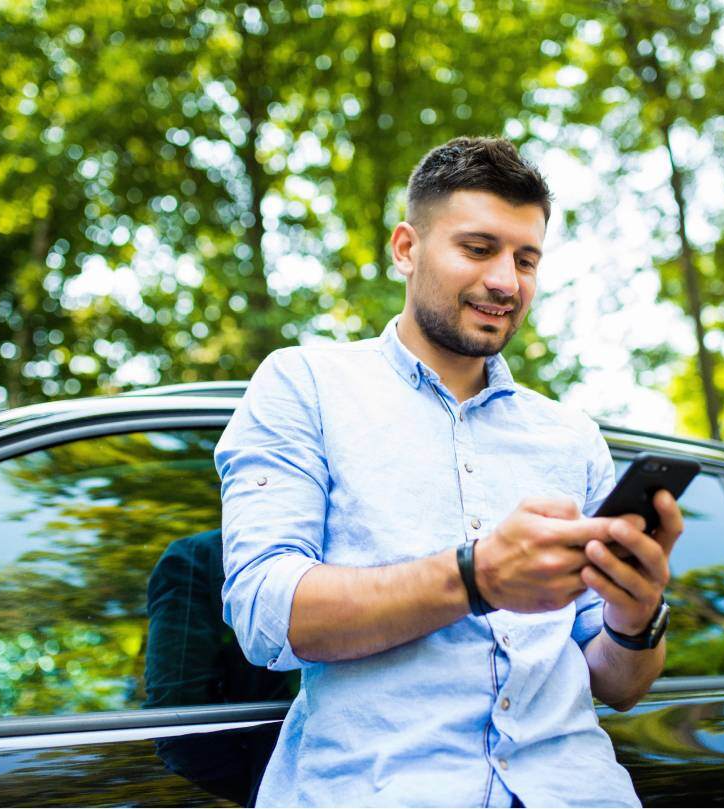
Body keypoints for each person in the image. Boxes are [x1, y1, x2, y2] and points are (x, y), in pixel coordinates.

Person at [215, 136, 684, 807]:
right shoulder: (305, 386)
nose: (506, 280)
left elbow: (617, 682)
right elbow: (266, 614)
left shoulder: (571, 437)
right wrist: (477, 574)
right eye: (478, 248)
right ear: (406, 248)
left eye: (526, 258)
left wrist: (635, 616)